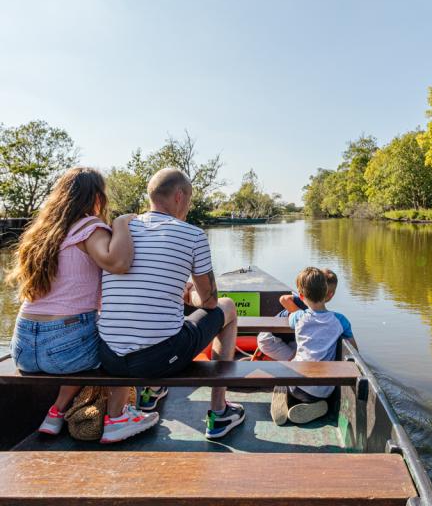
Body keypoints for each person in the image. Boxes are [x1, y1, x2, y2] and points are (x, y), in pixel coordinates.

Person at [8, 167, 159, 443]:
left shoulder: (42, 234)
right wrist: (122, 223)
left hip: (23, 347)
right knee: (118, 341)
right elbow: (119, 263)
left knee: (83, 342)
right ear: (96, 198)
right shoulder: (89, 227)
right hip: (65, 349)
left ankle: (56, 412)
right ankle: (120, 416)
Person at [98, 168, 245, 440]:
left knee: (127, 321)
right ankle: (220, 410)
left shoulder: (118, 232)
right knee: (228, 307)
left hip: (109, 357)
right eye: (188, 199)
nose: (188, 206)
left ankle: (117, 415)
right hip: (158, 359)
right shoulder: (192, 235)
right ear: (179, 196)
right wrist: (190, 295)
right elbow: (211, 302)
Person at [269, 267, 357, 426]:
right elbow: (354, 350)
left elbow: (289, 317)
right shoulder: (340, 321)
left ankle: (284, 395)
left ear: (301, 297)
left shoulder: (298, 317)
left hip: (295, 384)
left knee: (285, 370)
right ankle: (317, 405)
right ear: (328, 294)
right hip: (323, 391)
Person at [256, 268, 338, 361]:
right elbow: (284, 299)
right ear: (331, 294)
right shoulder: (305, 302)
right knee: (300, 359)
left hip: (287, 339)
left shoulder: (310, 301)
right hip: (270, 340)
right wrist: (303, 315)